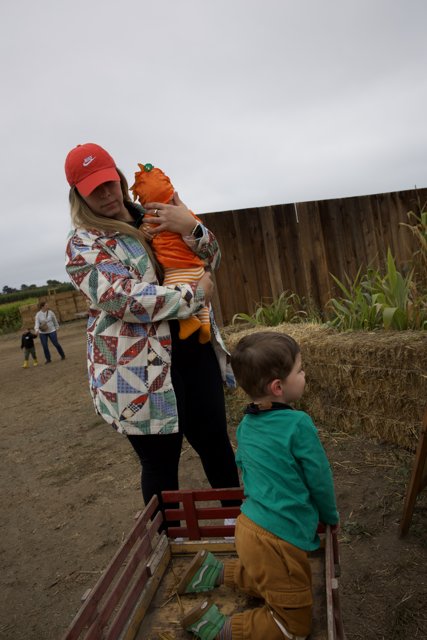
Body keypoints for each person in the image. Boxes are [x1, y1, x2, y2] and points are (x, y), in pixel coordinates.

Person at [63, 142, 240, 520]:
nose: (107, 194)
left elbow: (213, 258)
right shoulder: (84, 245)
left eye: (110, 183)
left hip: (193, 354)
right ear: (78, 194)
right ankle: (169, 546)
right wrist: (194, 295)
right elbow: (123, 299)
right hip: (136, 373)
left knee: (218, 449)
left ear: (120, 178)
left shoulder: (157, 214)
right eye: (94, 189)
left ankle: (241, 527)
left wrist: (190, 226)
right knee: (160, 467)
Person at [178, 331, 339, 640]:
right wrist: (331, 516)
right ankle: (221, 629)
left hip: (248, 526)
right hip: (277, 540)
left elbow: (248, 470)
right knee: (294, 626)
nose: (304, 375)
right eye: (300, 370)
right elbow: (319, 478)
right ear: (278, 387)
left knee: (271, 575)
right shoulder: (299, 424)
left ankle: (215, 572)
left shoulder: (246, 425)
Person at [131, 163, 211, 343]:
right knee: (203, 298)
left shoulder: (151, 220)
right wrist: (190, 225)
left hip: (176, 271)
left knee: (171, 290)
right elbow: (208, 248)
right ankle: (205, 325)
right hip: (197, 269)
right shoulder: (185, 214)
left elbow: (214, 253)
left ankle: (188, 322)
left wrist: (144, 230)